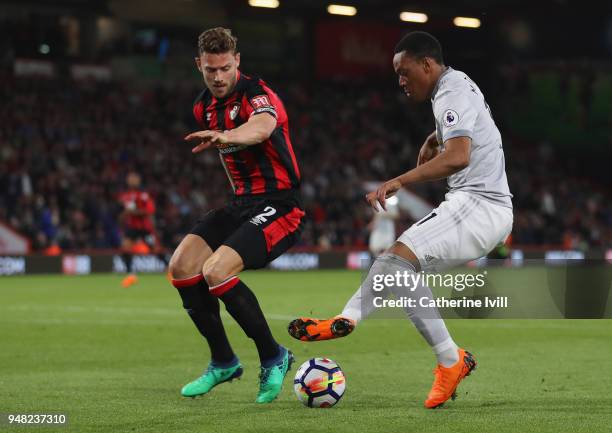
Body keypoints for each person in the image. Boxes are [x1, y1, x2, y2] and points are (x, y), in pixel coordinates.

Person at [288, 31, 513, 409]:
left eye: (405, 72)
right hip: (481, 206)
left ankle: (450, 360)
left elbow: (458, 156)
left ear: (427, 64)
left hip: (480, 204)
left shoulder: (451, 91)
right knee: (394, 265)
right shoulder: (457, 85)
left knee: (396, 263)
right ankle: (347, 319)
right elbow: (468, 126)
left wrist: (399, 180)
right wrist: (434, 134)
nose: (401, 82)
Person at [169, 27, 305, 404]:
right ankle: (224, 362)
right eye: (210, 69)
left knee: (215, 270)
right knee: (181, 267)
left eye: (225, 68)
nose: (218, 77)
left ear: (237, 62)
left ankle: (275, 356)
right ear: (199, 65)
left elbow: (262, 128)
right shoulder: (203, 106)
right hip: (241, 203)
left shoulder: (258, 94)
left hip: (280, 205)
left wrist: (226, 137)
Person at [117, 171, 157, 288]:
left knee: (155, 250)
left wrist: (133, 212)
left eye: (134, 178)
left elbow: (149, 210)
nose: (132, 181)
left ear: (139, 180)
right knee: (125, 248)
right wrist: (123, 216)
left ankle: (170, 273)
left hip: (145, 227)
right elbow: (124, 212)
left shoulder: (144, 194)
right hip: (132, 228)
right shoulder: (125, 196)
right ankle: (131, 276)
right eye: (130, 178)